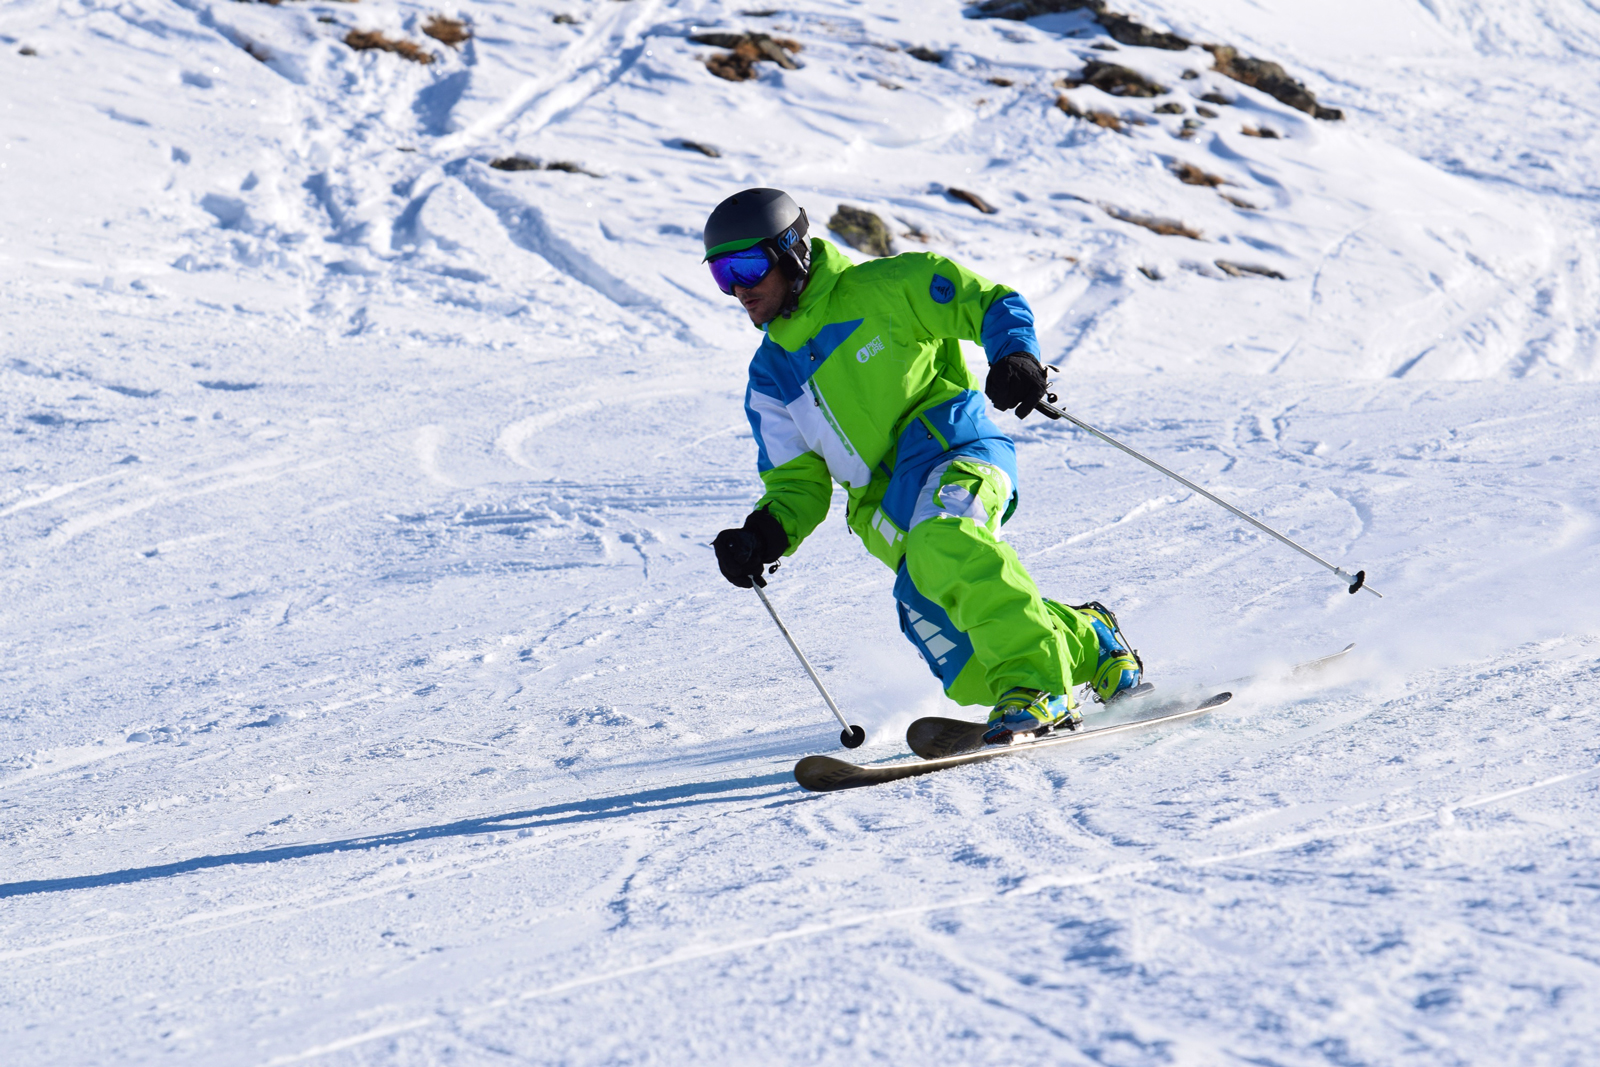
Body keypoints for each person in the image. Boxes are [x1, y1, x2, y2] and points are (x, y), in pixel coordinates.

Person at [706, 188, 1140, 742]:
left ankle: (1036, 685)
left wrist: (1015, 354)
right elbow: (796, 481)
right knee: (959, 657)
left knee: (945, 538)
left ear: (793, 252)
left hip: (956, 453)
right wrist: (764, 533)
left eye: (746, 266)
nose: (738, 289)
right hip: (887, 513)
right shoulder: (770, 377)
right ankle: (1088, 640)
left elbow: (988, 302)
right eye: (722, 275)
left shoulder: (886, 287)